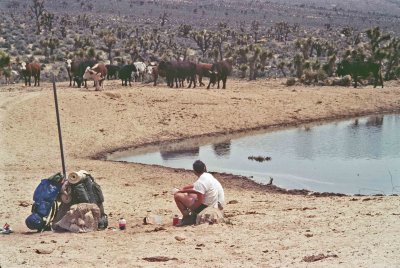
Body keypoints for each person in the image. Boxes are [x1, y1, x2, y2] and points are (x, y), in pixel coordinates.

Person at [173, 160, 225, 226]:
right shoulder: (208, 175)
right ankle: (188, 214)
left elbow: (200, 201)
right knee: (190, 193)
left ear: (194, 171)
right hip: (214, 201)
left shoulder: (200, 182)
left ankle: (187, 217)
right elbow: (197, 187)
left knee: (177, 196)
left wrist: (193, 211)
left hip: (206, 206)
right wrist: (184, 190)